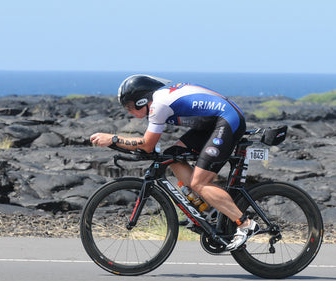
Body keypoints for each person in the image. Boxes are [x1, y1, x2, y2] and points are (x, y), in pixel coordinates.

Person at [90, 74, 259, 250]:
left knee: (200, 182)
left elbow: (148, 145)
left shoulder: (158, 104)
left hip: (227, 120)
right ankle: (209, 212)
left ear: (142, 100)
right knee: (173, 156)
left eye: (130, 106)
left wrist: (114, 139)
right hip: (212, 123)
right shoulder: (158, 100)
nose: (129, 111)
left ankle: (245, 224)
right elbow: (150, 146)